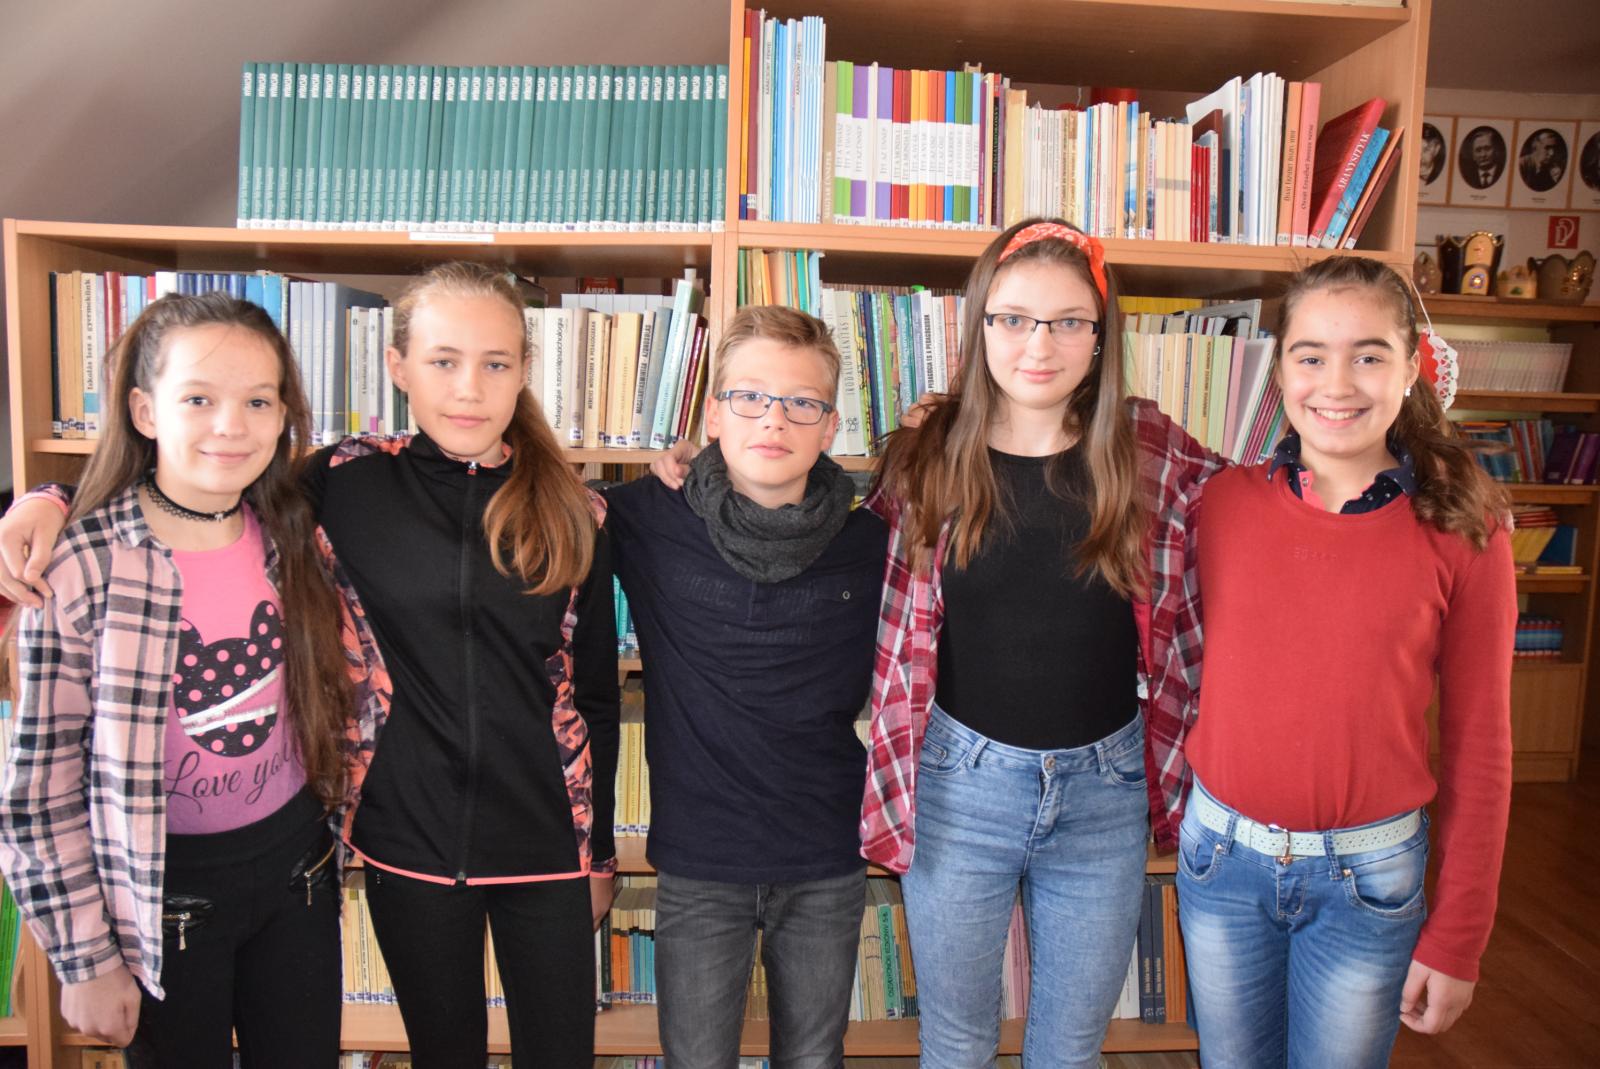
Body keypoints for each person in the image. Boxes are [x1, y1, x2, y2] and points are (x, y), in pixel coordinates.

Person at [0, 262, 621, 1068]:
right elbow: (193, 482)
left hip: (546, 847)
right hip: (406, 847)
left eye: (495, 362)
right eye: (442, 360)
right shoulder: (342, 480)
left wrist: (600, 850)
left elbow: (596, 694)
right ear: (397, 366)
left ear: (524, 370)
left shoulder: (577, 507)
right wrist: (46, 498)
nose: (469, 387)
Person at [856, 219, 1221, 1066]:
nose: (1039, 344)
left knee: (1071, 1044)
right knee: (957, 1037)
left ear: (1100, 336)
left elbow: (1265, 504)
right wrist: (699, 472)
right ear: (980, 323)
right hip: (960, 787)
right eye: (1014, 318)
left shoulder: (1147, 447)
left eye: (1068, 321)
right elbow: (832, 555)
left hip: (1107, 790)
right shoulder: (929, 454)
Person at [1176, 256, 1515, 1067]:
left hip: (1370, 880)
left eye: (1368, 355)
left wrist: (1459, 936)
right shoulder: (1220, 503)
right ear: (1279, 371)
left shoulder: (1464, 528)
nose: (1337, 383)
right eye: (1311, 355)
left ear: (1412, 368)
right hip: (1220, 863)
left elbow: (1482, 747)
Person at [0, 293, 352, 1067]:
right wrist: (85, 959)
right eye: (198, 398)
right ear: (144, 410)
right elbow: (40, 790)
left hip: (297, 872)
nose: (232, 425)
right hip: (161, 901)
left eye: (258, 401)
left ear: (284, 415)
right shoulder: (83, 566)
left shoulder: (293, 532)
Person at [617, 304, 887, 1068]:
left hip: (826, 853)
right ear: (712, 415)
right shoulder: (646, 517)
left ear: (830, 427)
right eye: (750, 396)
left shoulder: (872, 542)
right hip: (700, 859)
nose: (773, 419)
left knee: (814, 1056)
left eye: (801, 402)